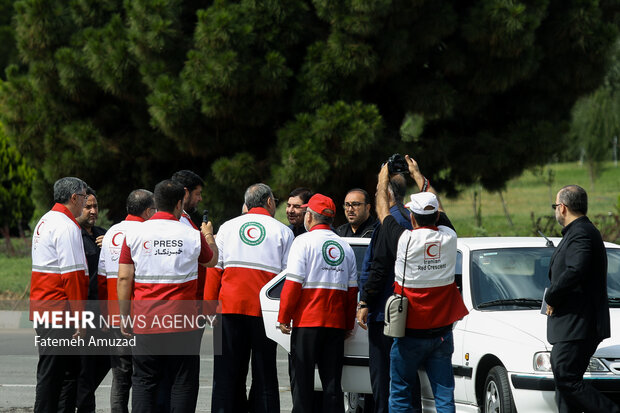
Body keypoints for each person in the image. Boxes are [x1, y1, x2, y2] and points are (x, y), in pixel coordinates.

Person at [373, 156, 468, 413]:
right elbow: (438, 207)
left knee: (401, 392)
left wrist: (383, 178)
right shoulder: (449, 237)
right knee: (444, 393)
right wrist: (418, 174)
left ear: (411, 217)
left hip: (409, 332)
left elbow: (383, 211)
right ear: (436, 215)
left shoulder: (404, 240)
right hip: (440, 332)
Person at [117, 179, 218, 413]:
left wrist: (124, 316)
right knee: (182, 382)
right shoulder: (192, 234)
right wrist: (209, 235)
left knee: (143, 381)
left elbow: (124, 278)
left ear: (155, 202)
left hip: (146, 320)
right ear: (180, 204)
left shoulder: (135, 233)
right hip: (183, 322)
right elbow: (211, 260)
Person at [210, 183, 294, 413]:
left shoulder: (227, 227)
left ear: (247, 203)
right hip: (265, 313)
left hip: (228, 309)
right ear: (269, 202)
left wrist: (209, 308)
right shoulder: (283, 231)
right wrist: (285, 314)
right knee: (265, 375)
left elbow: (214, 269)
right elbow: (289, 278)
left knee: (226, 375)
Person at [278, 194, 358, 413]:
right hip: (335, 326)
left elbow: (293, 284)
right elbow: (352, 292)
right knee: (332, 384)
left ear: (310, 217)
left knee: (302, 383)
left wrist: (284, 317)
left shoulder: (302, 242)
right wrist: (348, 325)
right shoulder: (345, 246)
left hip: (307, 323)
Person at [545, 185, 619, 413]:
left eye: (555, 206)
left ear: (563, 208)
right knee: (564, 384)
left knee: (566, 377)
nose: (555, 211)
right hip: (572, 324)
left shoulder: (582, 233)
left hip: (578, 323)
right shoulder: (578, 232)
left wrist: (553, 295)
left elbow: (576, 270)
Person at [356, 173, 420, 413]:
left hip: (385, 313)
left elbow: (378, 266)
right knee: (407, 378)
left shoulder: (390, 223)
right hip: (409, 312)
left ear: (387, 194)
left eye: (378, 191)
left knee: (383, 379)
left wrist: (364, 301)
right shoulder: (413, 219)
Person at [30, 177, 90, 413]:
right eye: (84, 197)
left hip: (47, 307)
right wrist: (79, 318)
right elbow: (72, 276)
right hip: (59, 311)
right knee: (54, 374)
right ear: (74, 198)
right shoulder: (66, 226)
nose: (86, 203)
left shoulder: (46, 220)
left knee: (64, 373)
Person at [97, 189, 156, 413]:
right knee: (144, 377)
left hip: (114, 314)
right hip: (140, 314)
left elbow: (102, 279)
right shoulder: (146, 232)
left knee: (120, 377)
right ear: (149, 210)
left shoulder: (112, 232)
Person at [75, 187, 110, 413]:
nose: (92, 211)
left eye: (95, 206)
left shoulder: (102, 234)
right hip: (85, 311)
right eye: (88, 206)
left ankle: (78, 398)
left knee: (106, 360)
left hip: (104, 312)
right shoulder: (73, 235)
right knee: (85, 371)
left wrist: (110, 245)